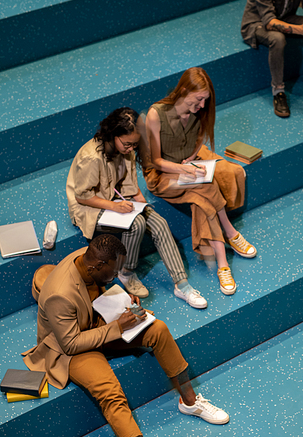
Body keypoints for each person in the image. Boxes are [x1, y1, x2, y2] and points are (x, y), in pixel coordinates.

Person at [23, 235, 230, 437]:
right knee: (111, 392)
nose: (115, 277)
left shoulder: (90, 256)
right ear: (96, 266)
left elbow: (102, 289)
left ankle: (190, 402)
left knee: (158, 329)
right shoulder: (59, 295)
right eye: (112, 273)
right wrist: (116, 328)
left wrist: (124, 300)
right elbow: (70, 344)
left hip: (97, 321)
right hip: (70, 349)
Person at [66, 107, 207, 309]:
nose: (131, 148)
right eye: (127, 144)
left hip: (114, 197)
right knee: (136, 225)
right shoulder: (92, 157)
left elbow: (130, 185)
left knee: (158, 222)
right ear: (113, 135)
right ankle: (126, 271)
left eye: (134, 144)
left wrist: (145, 207)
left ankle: (182, 285)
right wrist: (114, 208)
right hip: (88, 206)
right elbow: (82, 196)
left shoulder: (126, 150)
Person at [145, 67, 257, 296]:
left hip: (186, 163)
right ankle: (229, 241)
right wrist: (182, 168)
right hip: (163, 174)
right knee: (207, 185)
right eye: (199, 99)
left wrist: (194, 157)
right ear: (184, 90)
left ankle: (223, 259)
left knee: (215, 185)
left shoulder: (198, 113)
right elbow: (155, 161)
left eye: (205, 100)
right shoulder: (156, 114)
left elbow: (199, 139)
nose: (203, 105)